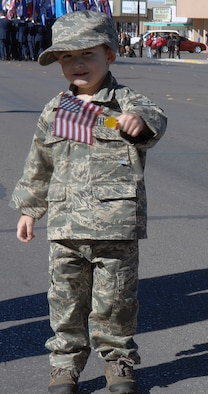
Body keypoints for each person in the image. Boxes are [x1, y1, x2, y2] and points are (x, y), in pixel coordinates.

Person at [9, 10, 167, 394]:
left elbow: (155, 120)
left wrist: (137, 123)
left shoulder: (127, 103)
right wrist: (30, 209)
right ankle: (64, 366)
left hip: (115, 225)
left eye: (87, 55)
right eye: (67, 57)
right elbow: (39, 161)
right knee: (64, 302)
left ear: (109, 55)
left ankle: (118, 362)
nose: (77, 64)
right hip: (65, 226)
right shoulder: (56, 110)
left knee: (115, 302)